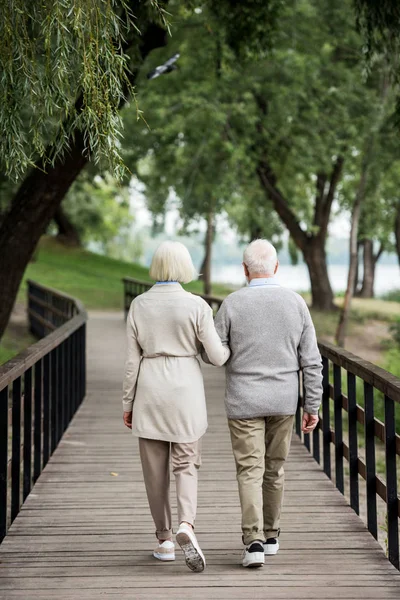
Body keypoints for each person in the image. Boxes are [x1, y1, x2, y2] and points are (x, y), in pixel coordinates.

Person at [203, 239, 322, 568]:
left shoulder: (232, 304)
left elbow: (213, 353)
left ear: (245, 270)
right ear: (276, 267)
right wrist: (312, 405)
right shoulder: (296, 304)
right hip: (283, 400)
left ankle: (253, 541)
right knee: (275, 469)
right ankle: (271, 536)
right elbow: (311, 362)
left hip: (243, 400)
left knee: (249, 471)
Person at [122, 241, 230, 573]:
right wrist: (225, 348)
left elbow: (131, 362)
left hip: (150, 389)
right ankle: (187, 524)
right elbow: (216, 356)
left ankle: (165, 540)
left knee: (154, 472)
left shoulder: (139, 305)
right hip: (186, 392)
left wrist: (128, 402)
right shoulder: (197, 305)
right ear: (184, 266)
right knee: (186, 464)